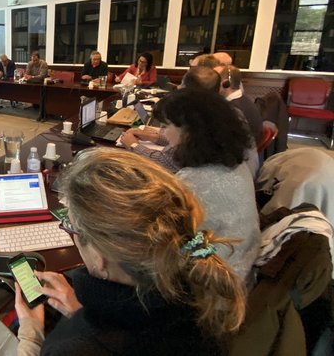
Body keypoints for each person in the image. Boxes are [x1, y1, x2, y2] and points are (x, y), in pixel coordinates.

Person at [14, 148, 246, 355]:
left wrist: (31, 336)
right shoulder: (206, 298)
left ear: (99, 258)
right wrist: (82, 313)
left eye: (71, 227)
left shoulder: (73, 347)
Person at [122, 88, 260, 283]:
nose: (165, 133)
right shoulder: (236, 164)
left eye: (167, 126)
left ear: (190, 132)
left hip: (211, 285)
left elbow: (154, 239)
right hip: (240, 267)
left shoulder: (193, 182)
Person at [216, 65, 263, 144]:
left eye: (216, 81)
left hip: (241, 152)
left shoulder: (233, 109)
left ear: (225, 83)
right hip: (249, 149)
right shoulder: (245, 99)